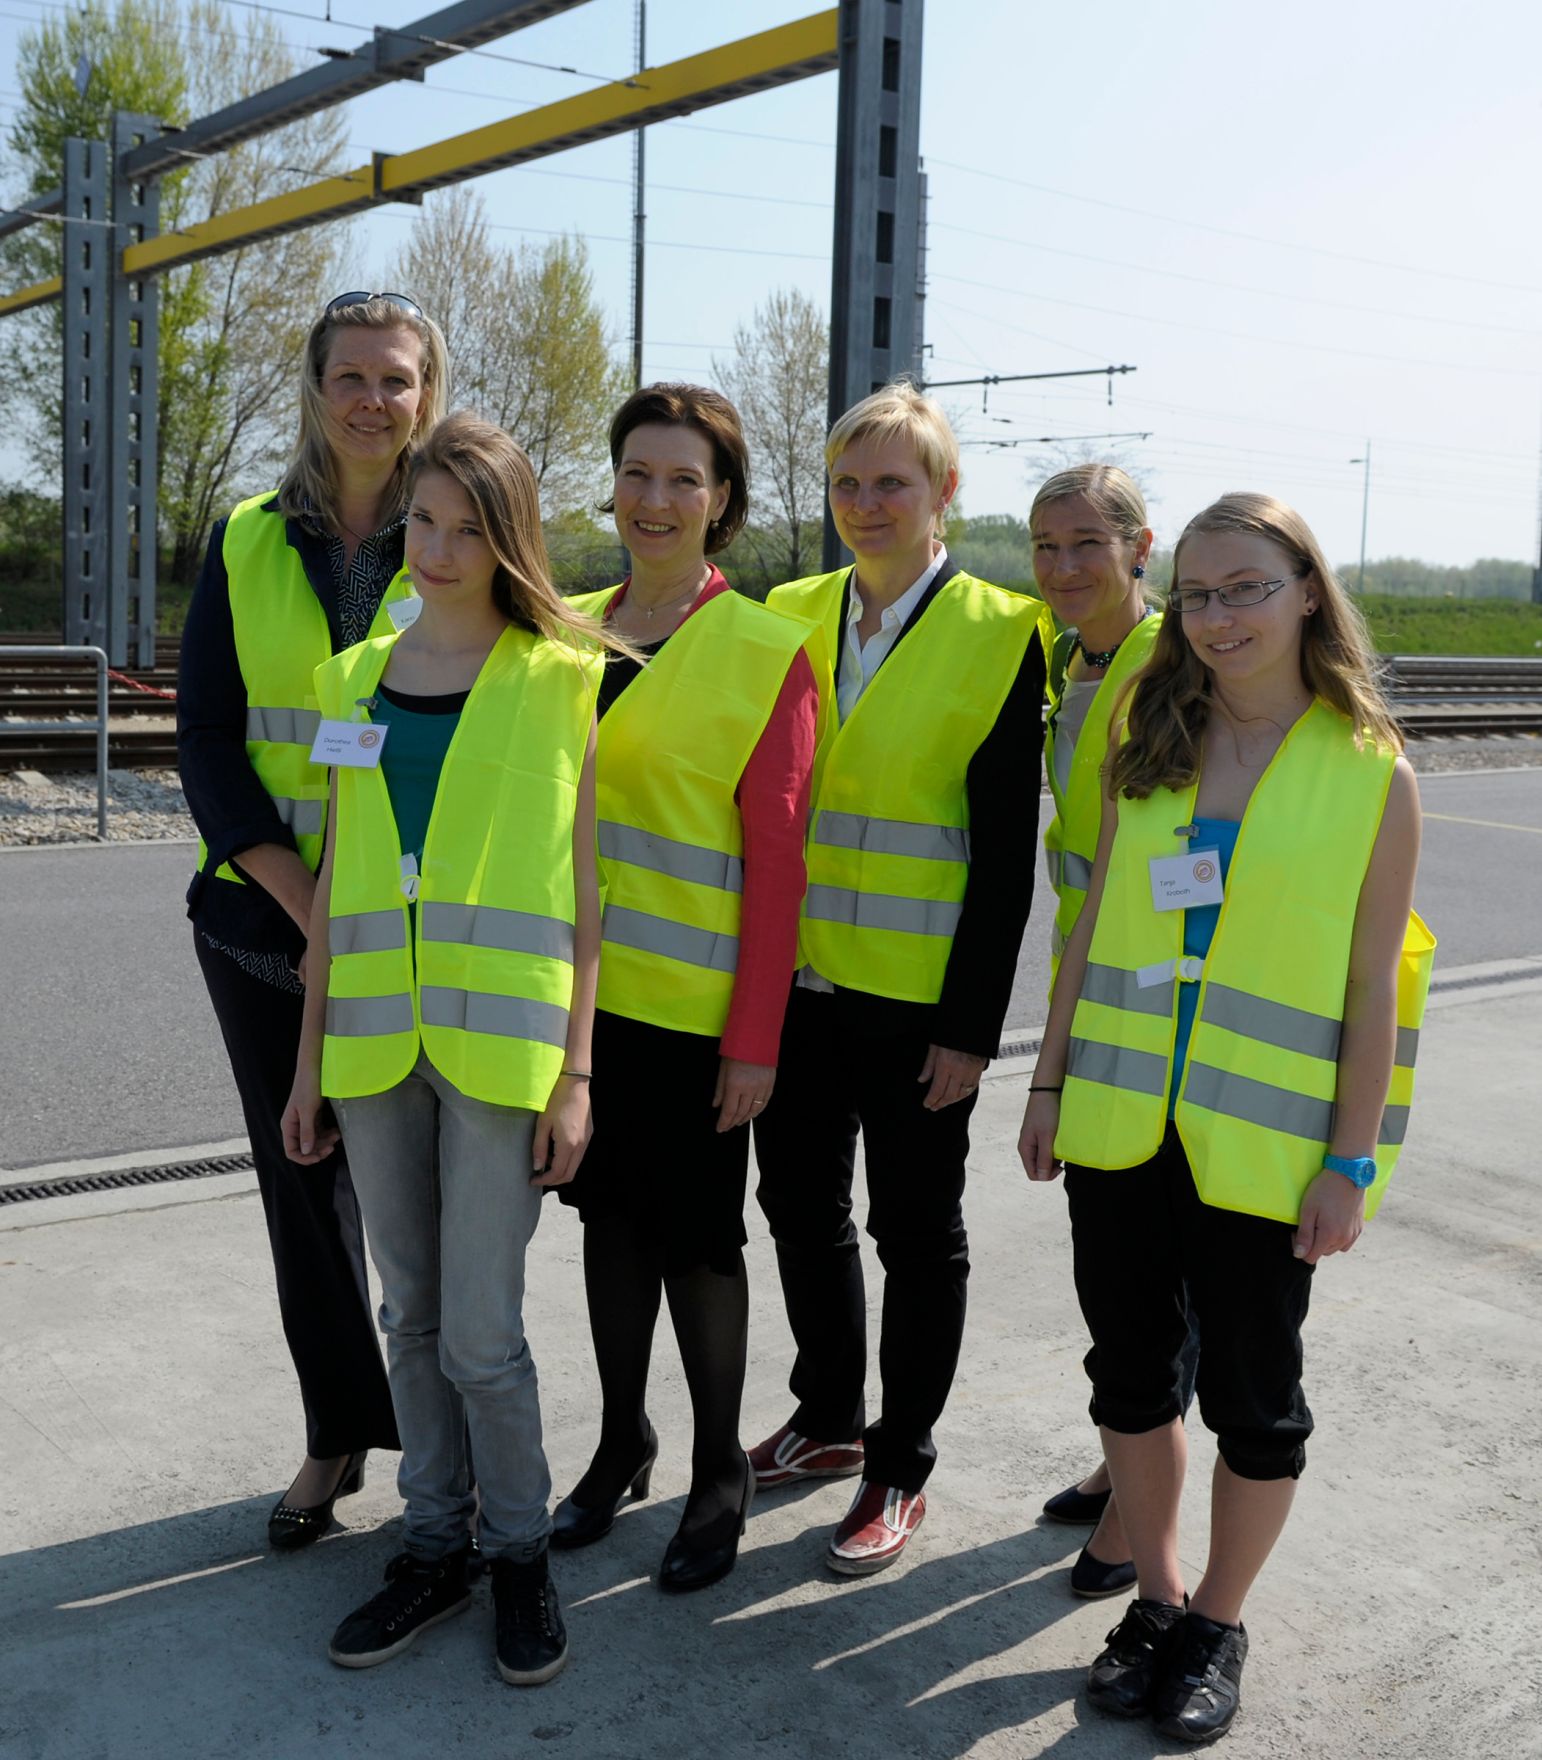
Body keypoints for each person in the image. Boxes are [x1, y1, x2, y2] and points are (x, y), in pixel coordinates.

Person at [1018, 492, 1433, 1743]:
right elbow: (1090, 923)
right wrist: (1046, 1079)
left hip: (1266, 1146)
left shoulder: (1371, 772)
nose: (1216, 616)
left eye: (1245, 586)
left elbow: (1374, 983)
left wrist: (1350, 1160)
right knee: (1131, 1378)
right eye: (1196, 593)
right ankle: (1155, 1597)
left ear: (1309, 589)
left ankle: (1218, 1619)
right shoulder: (1150, 731)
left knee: (1257, 1399)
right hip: (1121, 1123)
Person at [282, 411, 618, 1685]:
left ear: (508, 538)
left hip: (500, 1049)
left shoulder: (562, 678)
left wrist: (577, 1073)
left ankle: (518, 1550)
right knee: (408, 1311)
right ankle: (434, 1543)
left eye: (468, 528)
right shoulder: (349, 683)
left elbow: (589, 901)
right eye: (423, 520)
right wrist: (307, 1063)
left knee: (482, 1331)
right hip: (370, 1041)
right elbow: (337, 888)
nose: (436, 547)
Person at [749, 381, 1050, 1576]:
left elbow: (1002, 860)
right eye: (848, 485)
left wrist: (973, 1027)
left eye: (893, 484)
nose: (867, 505)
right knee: (798, 1210)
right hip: (793, 985)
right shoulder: (787, 610)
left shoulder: (998, 630)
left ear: (944, 495)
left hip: (921, 1005)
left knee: (917, 1232)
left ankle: (898, 1463)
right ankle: (828, 1417)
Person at [177, 291, 448, 1548]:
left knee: (427, 1194)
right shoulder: (243, 536)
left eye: (396, 379)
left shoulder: (465, 526)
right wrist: (301, 898)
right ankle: (336, 1431)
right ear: (314, 386)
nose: (372, 400)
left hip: (421, 924)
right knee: (305, 1182)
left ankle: (448, 1446)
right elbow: (208, 742)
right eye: (351, 375)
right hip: (263, 921)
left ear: (426, 391)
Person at [552, 383, 820, 1593]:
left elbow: (778, 867)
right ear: (610, 484)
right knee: (609, 1228)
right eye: (637, 473)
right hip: (575, 1009)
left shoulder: (767, 650)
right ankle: (623, 1440)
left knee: (702, 1245)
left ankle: (723, 1468)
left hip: (699, 1016)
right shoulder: (557, 629)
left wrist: (754, 1040)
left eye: (685, 480)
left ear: (722, 502)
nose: (655, 500)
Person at [1029, 463, 1196, 1600]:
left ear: (1141, 548)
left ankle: (1142, 1528)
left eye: (1088, 542)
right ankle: (1124, 1460)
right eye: (1044, 545)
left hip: (1156, 1006)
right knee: (1116, 1274)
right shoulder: (1068, 657)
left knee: (1154, 1278)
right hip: (1089, 988)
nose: (1063, 565)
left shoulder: (1171, 666)